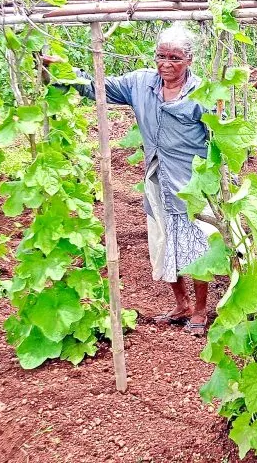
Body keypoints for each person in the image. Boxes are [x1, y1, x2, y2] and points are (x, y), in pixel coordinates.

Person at [42, 24, 216, 336]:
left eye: (174, 57)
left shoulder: (202, 94)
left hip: (193, 183)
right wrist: (62, 70)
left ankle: (201, 311)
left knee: (196, 247)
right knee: (163, 242)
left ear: (189, 59)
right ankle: (182, 305)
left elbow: (220, 139)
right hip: (157, 177)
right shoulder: (140, 83)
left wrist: (217, 181)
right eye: (160, 56)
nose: (165, 63)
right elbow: (98, 85)